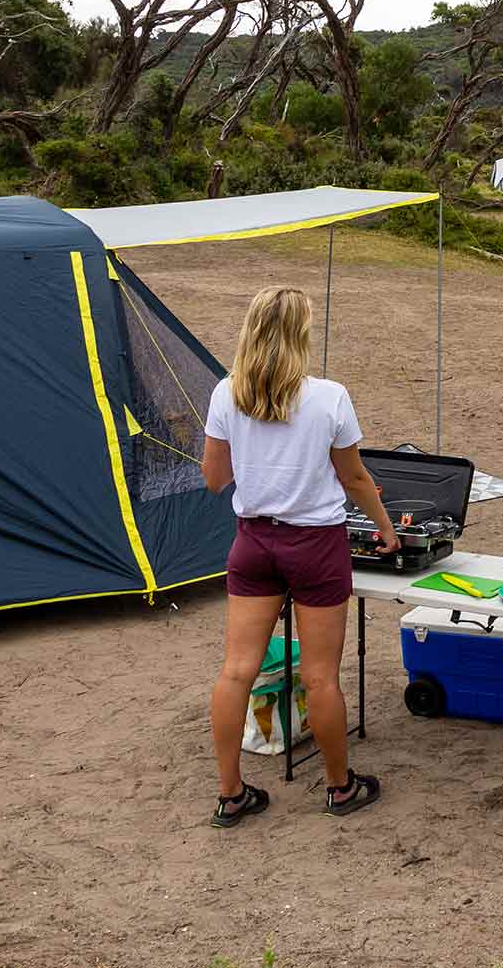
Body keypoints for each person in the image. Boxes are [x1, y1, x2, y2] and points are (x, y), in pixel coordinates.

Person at [201, 286, 398, 826]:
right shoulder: (329, 396)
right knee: (320, 677)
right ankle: (339, 788)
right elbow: (355, 478)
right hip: (315, 544)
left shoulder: (226, 394)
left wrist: (257, 459)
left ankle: (231, 794)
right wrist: (386, 530)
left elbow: (215, 479)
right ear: (300, 335)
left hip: (254, 541)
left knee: (236, 671)